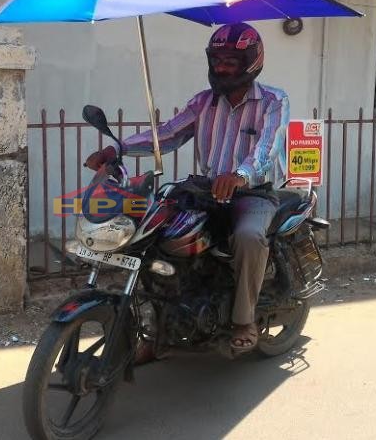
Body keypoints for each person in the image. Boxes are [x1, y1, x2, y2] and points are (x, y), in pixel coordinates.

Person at [85, 22, 290, 351]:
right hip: (207, 190)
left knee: (249, 237)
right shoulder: (203, 102)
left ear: (251, 62)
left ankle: (244, 318)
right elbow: (166, 135)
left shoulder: (272, 101)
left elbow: (268, 147)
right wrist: (117, 149)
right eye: (218, 60)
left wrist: (240, 175)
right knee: (155, 232)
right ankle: (160, 321)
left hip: (253, 192)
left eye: (231, 61)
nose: (222, 67)